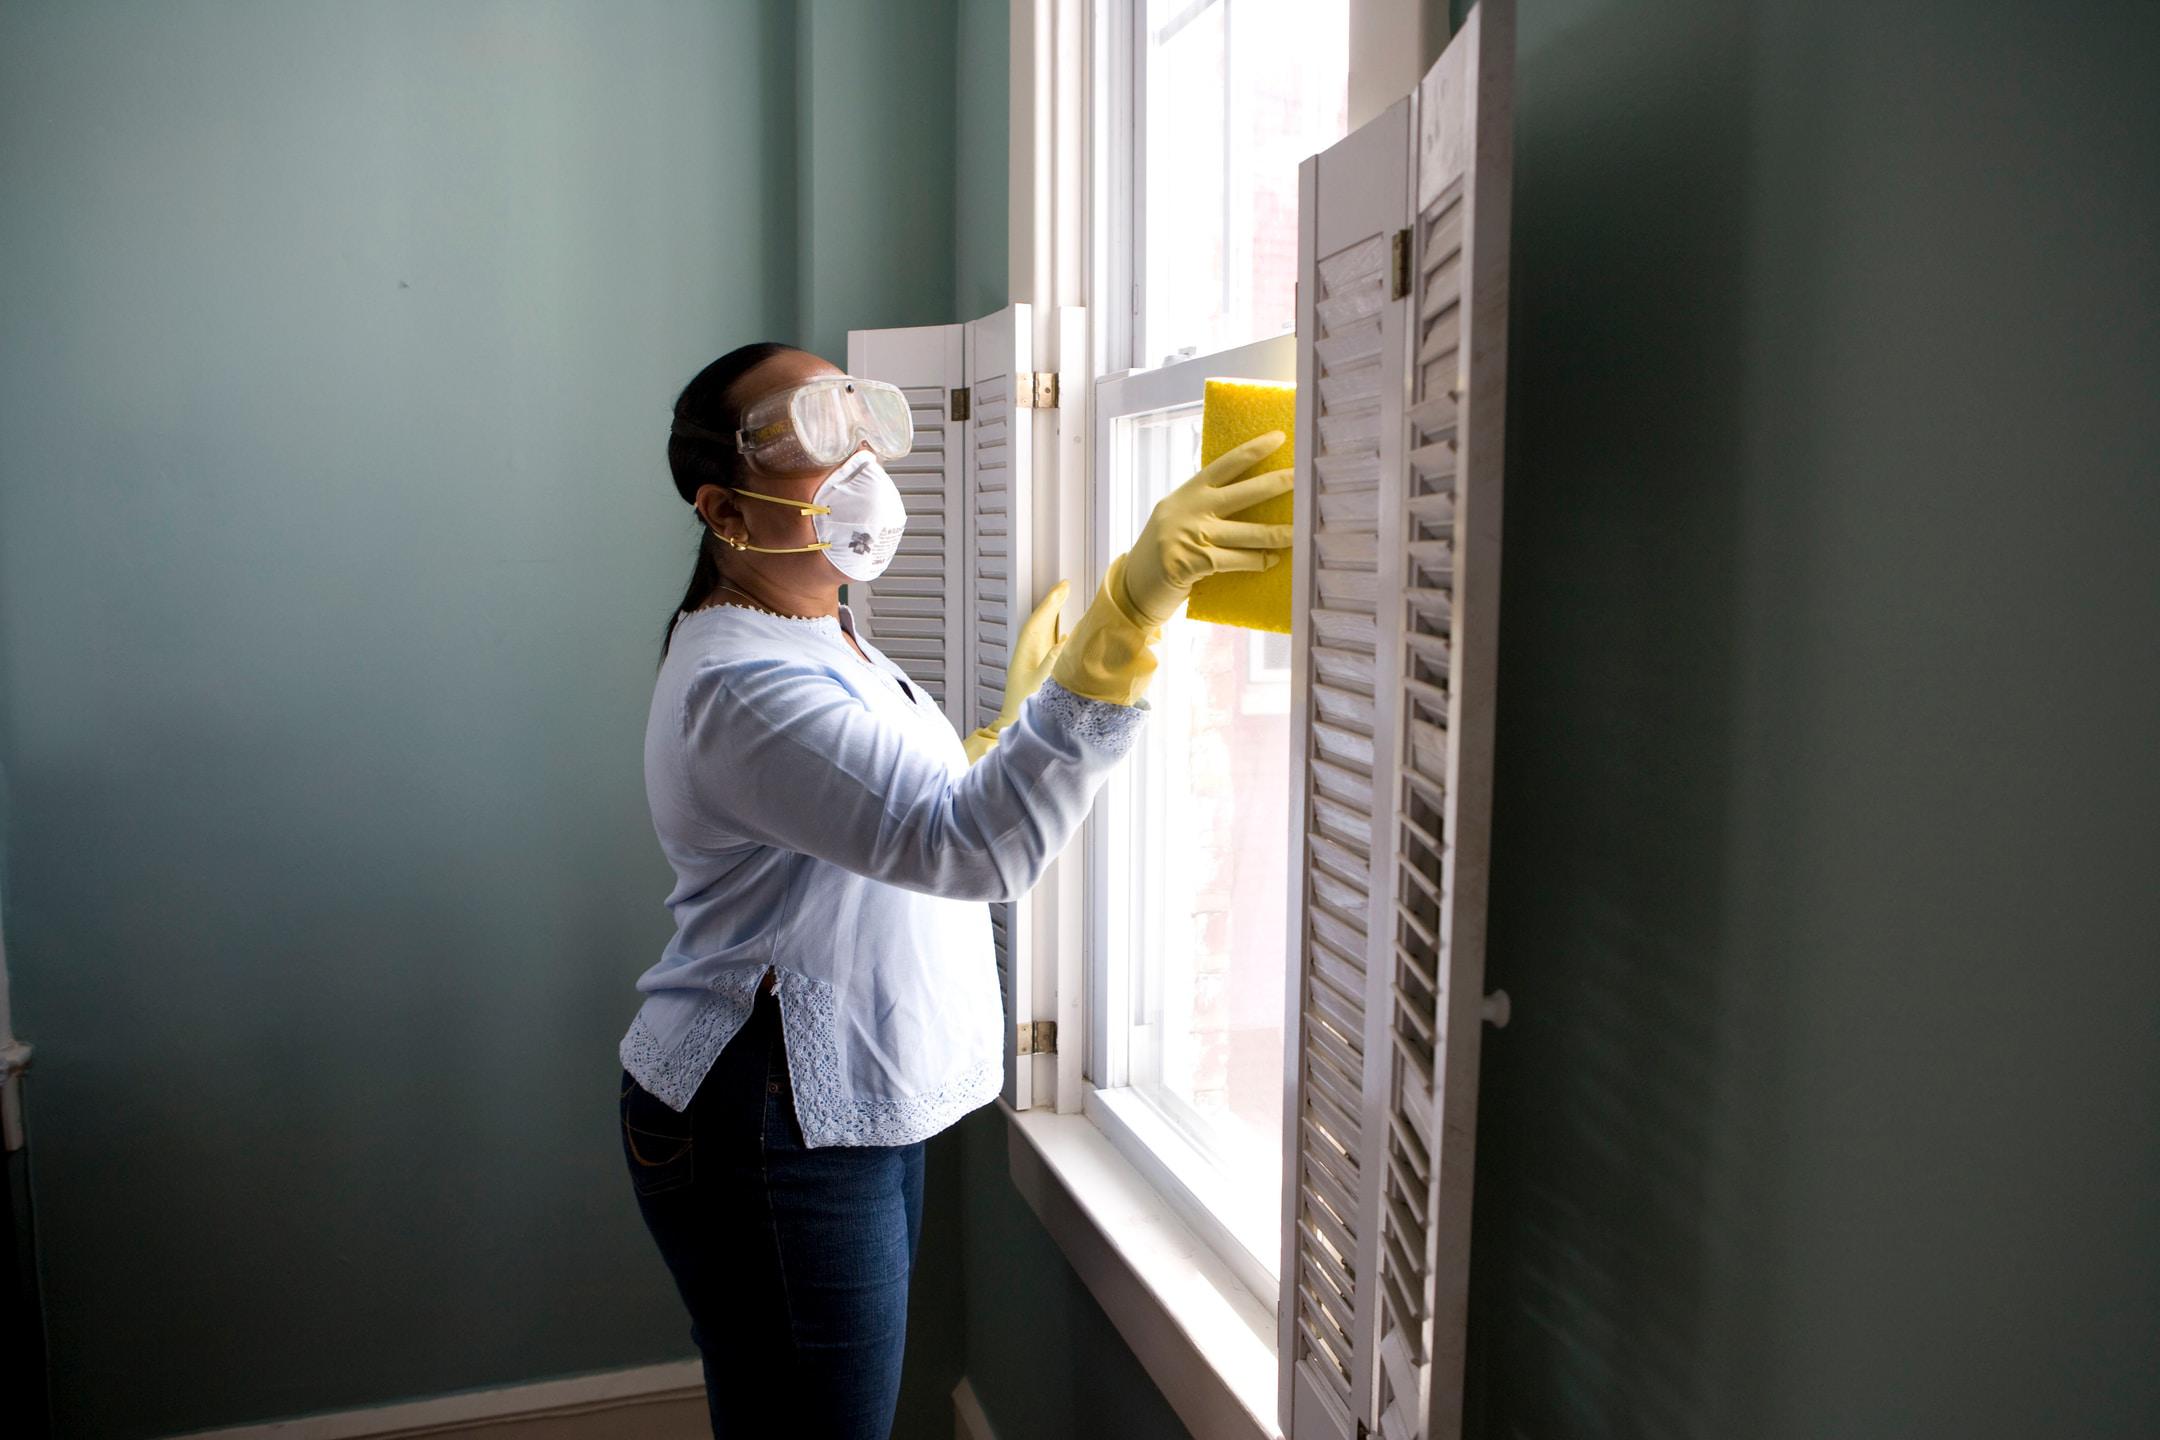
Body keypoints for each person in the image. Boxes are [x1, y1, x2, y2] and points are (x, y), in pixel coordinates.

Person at [617, 341, 1290, 1438]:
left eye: (861, 415)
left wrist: (998, 734)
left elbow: (878, 811)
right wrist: (1126, 619)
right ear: (725, 511)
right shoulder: (741, 679)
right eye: (812, 433)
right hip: (766, 1114)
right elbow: (971, 850)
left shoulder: (819, 631)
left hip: (829, 1103)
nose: (862, 456)